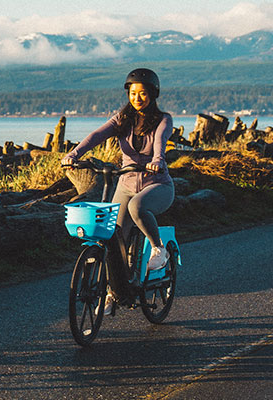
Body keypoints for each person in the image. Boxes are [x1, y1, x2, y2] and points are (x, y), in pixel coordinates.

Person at [60, 68, 174, 314]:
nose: (137, 98)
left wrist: (157, 160)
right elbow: (96, 136)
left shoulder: (163, 119)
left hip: (157, 185)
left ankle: (158, 248)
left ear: (152, 94)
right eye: (133, 93)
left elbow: (160, 142)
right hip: (126, 183)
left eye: (142, 93)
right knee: (113, 237)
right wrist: (74, 154)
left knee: (137, 207)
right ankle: (114, 291)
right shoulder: (122, 119)